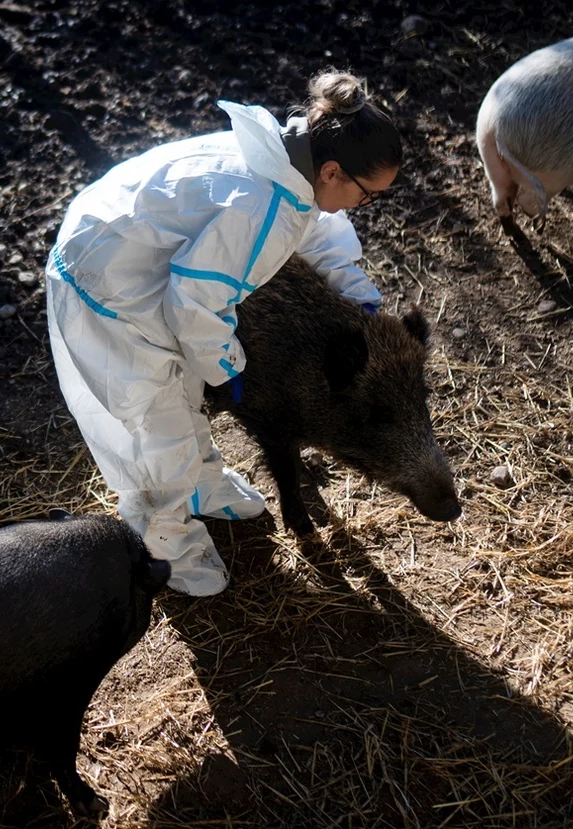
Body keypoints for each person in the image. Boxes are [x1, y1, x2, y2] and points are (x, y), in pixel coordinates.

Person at [45, 71, 403, 595]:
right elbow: (195, 306)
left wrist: (360, 296)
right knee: (157, 414)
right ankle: (168, 544)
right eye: (366, 195)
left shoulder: (291, 162)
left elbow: (320, 232)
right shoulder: (262, 208)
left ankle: (204, 486)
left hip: (131, 251)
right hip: (106, 280)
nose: (362, 205)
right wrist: (229, 369)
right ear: (333, 171)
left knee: (183, 391)